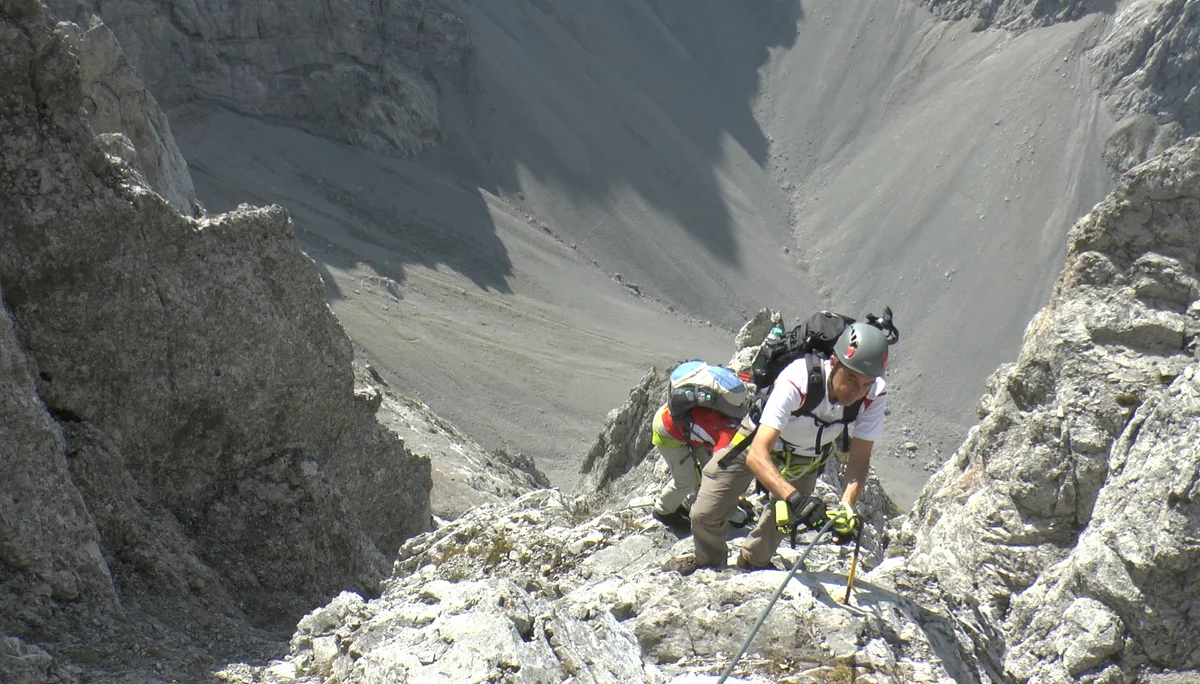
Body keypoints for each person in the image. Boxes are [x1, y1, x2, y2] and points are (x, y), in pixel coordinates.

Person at [669, 321, 889, 574]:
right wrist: (796, 499)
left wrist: (846, 508)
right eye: (851, 378)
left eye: (866, 384)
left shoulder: (875, 394)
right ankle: (709, 561)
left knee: (779, 525)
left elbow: (859, 459)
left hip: (807, 457)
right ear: (834, 362)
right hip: (754, 441)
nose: (857, 391)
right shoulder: (799, 378)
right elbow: (757, 455)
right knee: (704, 513)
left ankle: (753, 563)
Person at [650, 402, 750, 530]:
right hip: (667, 430)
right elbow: (718, 477)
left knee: (706, 470)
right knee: (686, 482)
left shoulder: (738, 425)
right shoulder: (726, 443)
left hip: (680, 418)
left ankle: (689, 504)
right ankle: (662, 511)